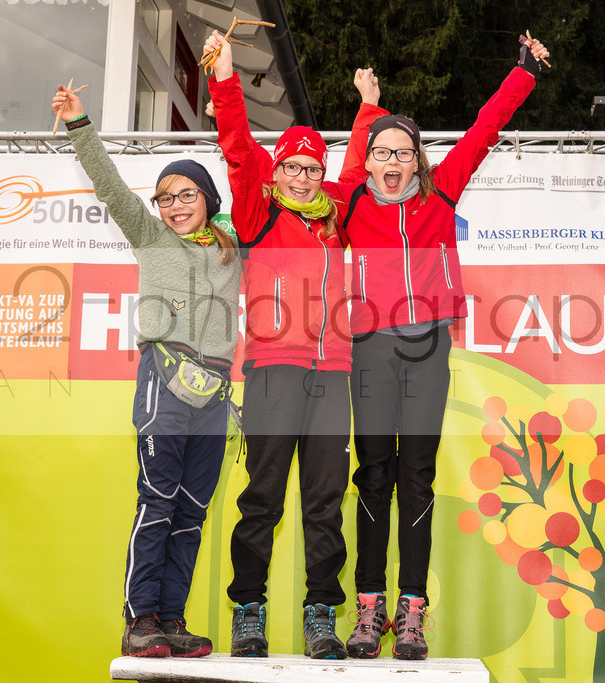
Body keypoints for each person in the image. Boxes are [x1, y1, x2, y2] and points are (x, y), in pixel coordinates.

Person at [338, 36, 551, 661]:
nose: (392, 162)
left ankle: (411, 612)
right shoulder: (351, 201)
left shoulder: (441, 193)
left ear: (418, 161)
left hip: (427, 346)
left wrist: (523, 73)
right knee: (373, 475)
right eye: (382, 153)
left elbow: (484, 131)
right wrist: (368, 107)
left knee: (417, 475)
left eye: (404, 153)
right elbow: (347, 157)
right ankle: (368, 609)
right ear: (370, 160)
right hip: (370, 348)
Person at [202, 32, 381, 660]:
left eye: (312, 169)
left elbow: (356, 170)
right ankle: (247, 610)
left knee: (325, 502)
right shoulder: (259, 214)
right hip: (274, 370)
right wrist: (225, 78)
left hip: (332, 373)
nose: (303, 178)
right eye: (293, 168)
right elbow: (237, 148)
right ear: (276, 170)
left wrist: (367, 109)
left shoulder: (336, 216)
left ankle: (320, 615)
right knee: (262, 499)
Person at [51, 85, 242, 659]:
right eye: (165, 198)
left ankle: (172, 619)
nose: (175, 205)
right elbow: (109, 184)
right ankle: (141, 619)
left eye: (187, 194)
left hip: (216, 389)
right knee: (157, 501)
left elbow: (251, 173)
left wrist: (225, 98)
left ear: (208, 198)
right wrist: (79, 123)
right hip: (165, 377)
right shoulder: (151, 236)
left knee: (192, 510)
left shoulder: (233, 246)